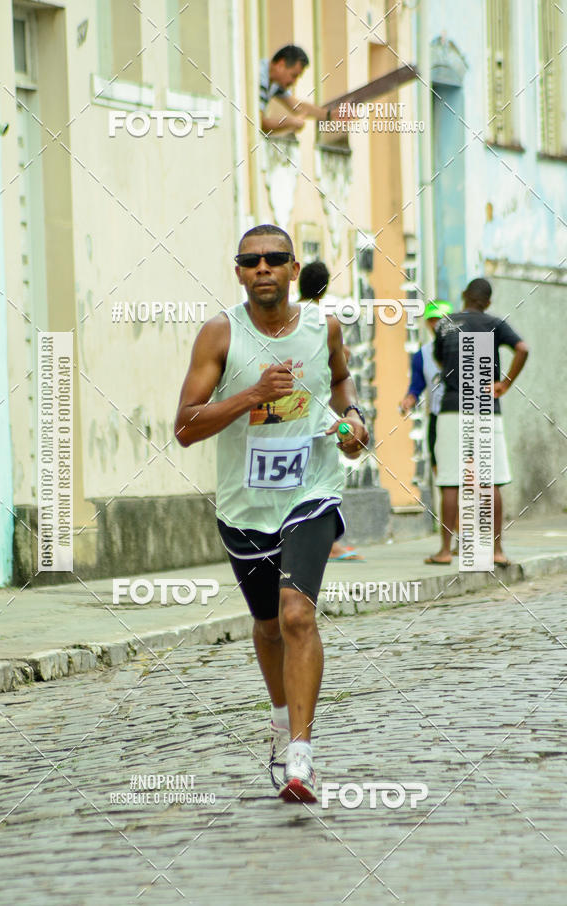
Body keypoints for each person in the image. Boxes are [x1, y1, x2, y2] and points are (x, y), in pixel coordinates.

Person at [174, 225, 369, 803]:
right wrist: (251, 396)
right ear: (239, 272)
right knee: (266, 625)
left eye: (275, 259)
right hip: (245, 506)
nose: (263, 268)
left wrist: (354, 420)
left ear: (292, 270)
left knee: (296, 615)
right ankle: (282, 721)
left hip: (312, 491)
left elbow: (340, 380)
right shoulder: (220, 334)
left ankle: (301, 757)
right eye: (251, 260)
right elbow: (185, 427)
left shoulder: (322, 327)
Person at [426, 278, 528, 566]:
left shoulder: (446, 324)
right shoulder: (495, 324)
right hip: (484, 406)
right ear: (488, 302)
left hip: (451, 408)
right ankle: (496, 551)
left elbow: (439, 360)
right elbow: (523, 348)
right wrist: (504, 383)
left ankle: (445, 551)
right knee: (490, 479)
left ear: (463, 296)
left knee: (450, 481)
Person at [298, 260, 362, 561]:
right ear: (324, 289)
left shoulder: (285, 315)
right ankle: (331, 543)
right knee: (324, 478)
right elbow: (340, 361)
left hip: (288, 413)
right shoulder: (324, 321)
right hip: (318, 413)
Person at [400, 300, 453, 472]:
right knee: (438, 465)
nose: (436, 324)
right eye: (432, 320)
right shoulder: (422, 355)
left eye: (441, 320)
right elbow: (416, 386)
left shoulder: (465, 348)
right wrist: (409, 399)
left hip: (462, 415)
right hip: (437, 415)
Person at [260, 45, 349, 135]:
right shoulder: (260, 79)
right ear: (281, 65)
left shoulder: (275, 81)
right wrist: (290, 122)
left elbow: (298, 106)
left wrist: (330, 114)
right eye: (293, 75)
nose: (294, 82)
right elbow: (259, 123)